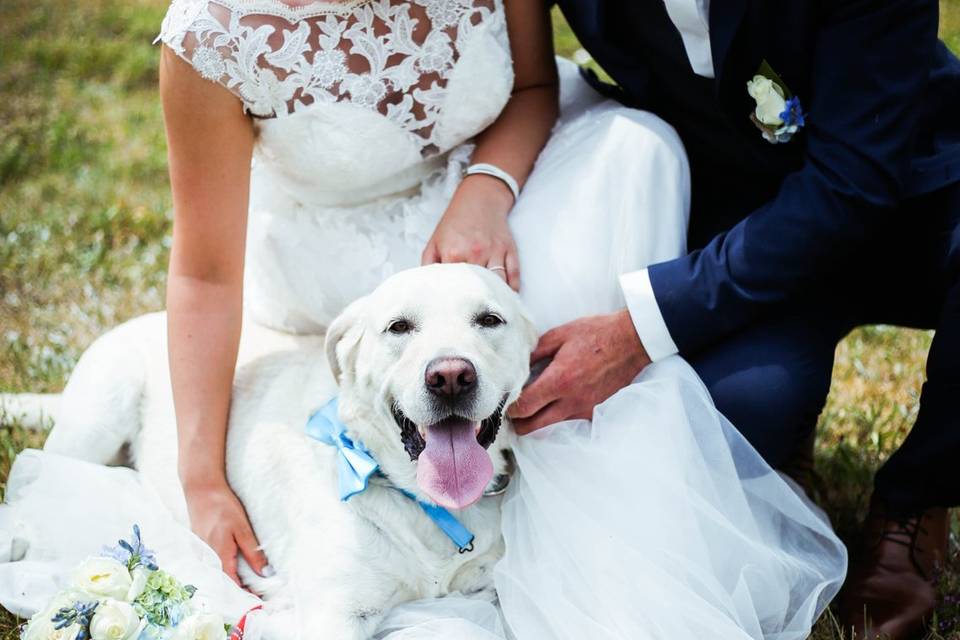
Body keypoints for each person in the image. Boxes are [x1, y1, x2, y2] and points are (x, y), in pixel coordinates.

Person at [0, 0, 845, 637]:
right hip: (329, 264)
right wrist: (202, 482)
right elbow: (206, 277)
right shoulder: (213, 32)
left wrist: (491, 188)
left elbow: (532, 81)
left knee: (637, 151)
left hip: (493, 202)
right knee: (127, 418)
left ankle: (603, 475)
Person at [529, 2, 960, 638]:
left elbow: (853, 186)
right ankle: (786, 449)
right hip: (744, 214)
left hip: (910, 186)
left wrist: (637, 330)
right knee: (733, 411)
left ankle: (914, 501)